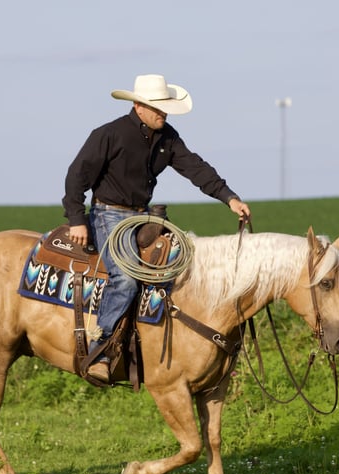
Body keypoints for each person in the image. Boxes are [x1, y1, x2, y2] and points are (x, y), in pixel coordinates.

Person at [62, 74, 251, 383]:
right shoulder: (109, 134)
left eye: (165, 109)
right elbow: (76, 176)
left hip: (142, 216)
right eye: (157, 108)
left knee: (177, 266)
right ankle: (101, 350)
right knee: (124, 279)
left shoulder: (167, 138)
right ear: (138, 106)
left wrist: (228, 197)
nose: (163, 114)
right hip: (107, 215)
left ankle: (158, 347)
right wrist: (76, 218)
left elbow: (195, 167)